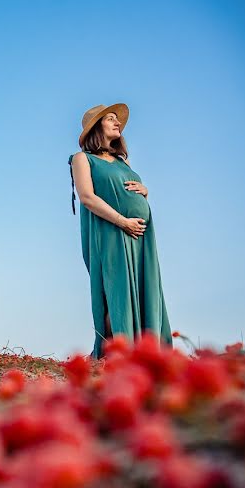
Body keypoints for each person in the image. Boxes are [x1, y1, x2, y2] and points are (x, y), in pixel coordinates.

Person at [69, 103, 171, 358]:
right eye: (111, 119)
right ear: (96, 126)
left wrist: (145, 192)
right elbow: (87, 197)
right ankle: (114, 353)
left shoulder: (121, 162)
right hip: (110, 232)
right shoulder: (83, 159)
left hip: (139, 237)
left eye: (118, 120)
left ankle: (144, 352)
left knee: (143, 288)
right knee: (115, 289)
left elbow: (128, 187)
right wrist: (122, 220)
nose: (118, 124)